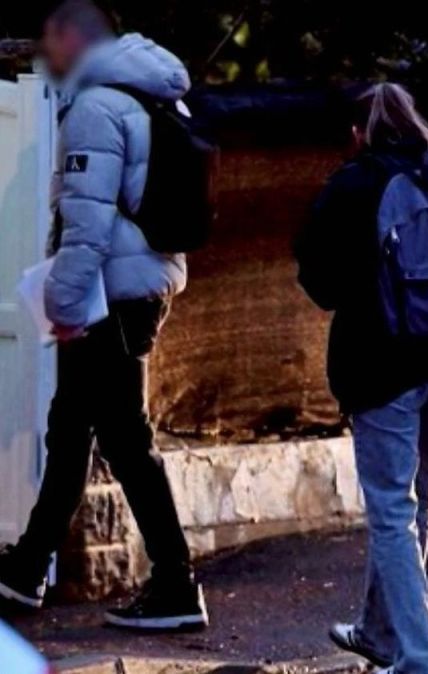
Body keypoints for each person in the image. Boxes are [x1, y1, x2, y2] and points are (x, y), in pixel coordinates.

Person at [0, 1, 205, 631]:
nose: (44, 58)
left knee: (123, 439)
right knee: (72, 431)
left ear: (72, 39)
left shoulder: (97, 107)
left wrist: (62, 306)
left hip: (109, 299)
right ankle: (26, 572)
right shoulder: (160, 100)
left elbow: (84, 227)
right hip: (139, 290)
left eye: (49, 44)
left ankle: (176, 584)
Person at [295, 83, 428, 674]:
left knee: (389, 511)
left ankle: (418, 658)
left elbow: (321, 281)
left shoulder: (355, 182)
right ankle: (381, 635)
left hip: (387, 368)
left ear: (360, 133)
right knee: (415, 502)